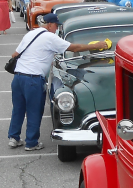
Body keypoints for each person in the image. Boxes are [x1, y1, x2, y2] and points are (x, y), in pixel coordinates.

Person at [7, 13, 110, 151]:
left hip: (18, 77)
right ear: (49, 24)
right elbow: (74, 48)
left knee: (18, 109)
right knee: (34, 110)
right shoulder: (50, 37)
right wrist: (96, 46)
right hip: (33, 79)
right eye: (56, 25)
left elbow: (15, 54)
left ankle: (14, 138)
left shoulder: (31, 34)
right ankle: (31, 142)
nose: (56, 28)